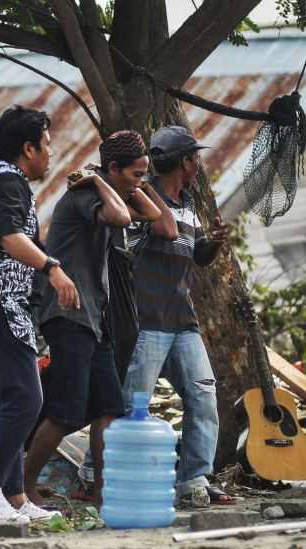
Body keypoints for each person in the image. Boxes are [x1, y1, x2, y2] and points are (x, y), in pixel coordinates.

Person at [22, 131, 174, 509]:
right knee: (67, 410)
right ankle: (22, 485)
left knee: (110, 405)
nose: (141, 182)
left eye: (144, 175)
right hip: (69, 315)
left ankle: (103, 492)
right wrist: (97, 181)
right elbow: (122, 216)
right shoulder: (83, 196)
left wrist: (120, 182)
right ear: (111, 169)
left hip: (96, 320)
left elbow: (154, 216)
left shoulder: (107, 190)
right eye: (136, 174)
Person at [0, 105, 78, 522]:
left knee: (6, 401)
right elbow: (9, 237)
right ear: (29, 147)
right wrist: (52, 267)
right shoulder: (8, 180)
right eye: (47, 144)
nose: (50, 153)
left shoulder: (5, 180)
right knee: (26, 398)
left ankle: (14, 499)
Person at [124, 125, 232, 504]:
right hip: (148, 318)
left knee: (203, 395)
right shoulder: (141, 199)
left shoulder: (188, 203)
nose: (199, 164)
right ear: (185, 162)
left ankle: (193, 481)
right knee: (131, 402)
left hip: (183, 319)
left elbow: (195, 255)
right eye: (196, 157)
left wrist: (212, 244)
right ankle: (96, 475)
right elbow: (163, 232)